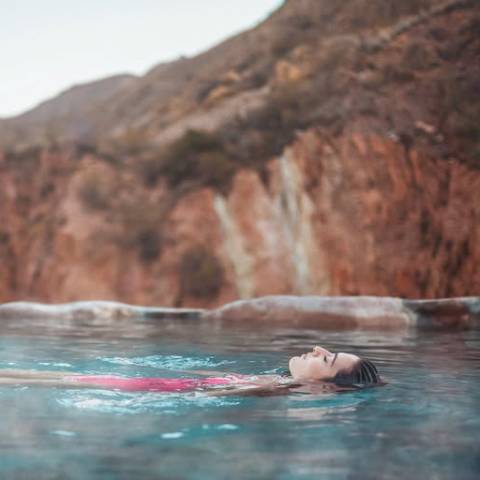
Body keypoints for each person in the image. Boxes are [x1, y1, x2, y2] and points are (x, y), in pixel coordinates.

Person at [0, 346, 384, 396]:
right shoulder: (279, 383)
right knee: (43, 376)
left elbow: (205, 392)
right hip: (156, 384)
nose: (318, 349)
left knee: (55, 378)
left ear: (321, 387)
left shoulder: (276, 388)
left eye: (326, 359)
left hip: (151, 388)